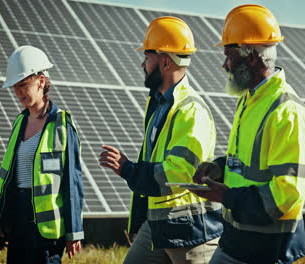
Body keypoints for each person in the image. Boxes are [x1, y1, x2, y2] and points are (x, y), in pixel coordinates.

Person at [191, 4, 305, 264]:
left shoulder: (286, 111)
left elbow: (286, 194)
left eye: (229, 56)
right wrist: (218, 168)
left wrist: (226, 197)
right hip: (236, 242)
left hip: (267, 251)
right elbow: (246, 165)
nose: (224, 66)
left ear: (251, 58)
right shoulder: (249, 100)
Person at [99, 17, 223, 264]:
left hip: (190, 231)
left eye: (147, 57)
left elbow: (179, 173)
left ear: (165, 61)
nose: (142, 64)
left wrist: (128, 169)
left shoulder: (190, 111)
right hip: (158, 225)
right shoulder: (157, 105)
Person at [0, 45, 84, 264]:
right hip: (17, 224)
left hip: (46, 234)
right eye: (15, 86)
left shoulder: (62, 124)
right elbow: (9, 179)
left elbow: (72, 182)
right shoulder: (18, 123)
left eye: (23, 84)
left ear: (41, 81)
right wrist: (2, 222)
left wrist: (74, 231)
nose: (18, 92)